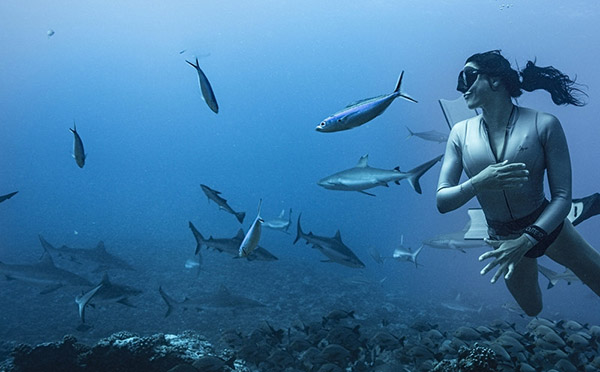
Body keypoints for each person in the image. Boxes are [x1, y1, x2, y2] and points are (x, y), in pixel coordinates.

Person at [436, 50, 600, 316]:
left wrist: (526, 241)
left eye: (467, 76)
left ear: (495, 80)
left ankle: (581, 212)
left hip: (548, 227)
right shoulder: (459, 133)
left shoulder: (544, 124)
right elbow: (442, 202)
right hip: (502, 236)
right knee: (532, 308)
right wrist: (478, 182)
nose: (460, 88)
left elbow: (561, 197)